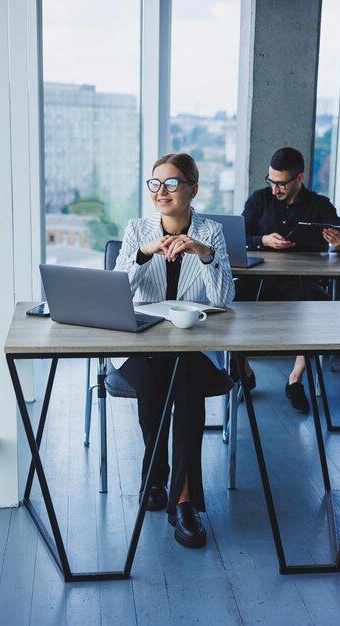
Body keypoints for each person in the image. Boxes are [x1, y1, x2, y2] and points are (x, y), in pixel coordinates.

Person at [113, 153, 235, 548]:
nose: (161, 192)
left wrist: (206, 254)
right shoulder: (136, 229)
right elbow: (116, 291)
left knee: (184, 380)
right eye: (156, 183)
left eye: (172, 183)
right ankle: (156, 475)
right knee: (154, 378)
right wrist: (143, 253)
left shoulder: (211, 232)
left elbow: (225, 299)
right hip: (141, 344)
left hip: (192, 346)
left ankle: (182, 500)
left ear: (193, 189)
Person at [240, 146, 340, 412]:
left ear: (299, 178)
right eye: (271, 182)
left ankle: (295, 379)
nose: (275, 190)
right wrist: (263, 240)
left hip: (302, 284)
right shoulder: (259, 200)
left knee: (318, 313)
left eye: (281, 184)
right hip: (260, 282)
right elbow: (237, 238)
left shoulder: (319, 205)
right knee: (231, 306)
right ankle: (244, 371)